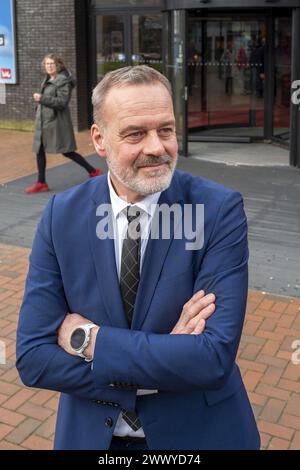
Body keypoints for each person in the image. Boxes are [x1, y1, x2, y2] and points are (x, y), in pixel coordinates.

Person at [16, 65, 260, 450]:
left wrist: (87, 340)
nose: (157, 147)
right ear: (99, 139)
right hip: (93, 438)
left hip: (200, 435)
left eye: (166, 129)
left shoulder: (217, 210)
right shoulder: (61, 215)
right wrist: (166, 363)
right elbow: (33, 358)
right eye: (135, 133)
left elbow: (212, 358)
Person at [25, 53, 101, 194]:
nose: (49, 67)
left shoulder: (63, 81)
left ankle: (93, 170)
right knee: (39, 150)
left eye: (52, 64)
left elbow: (62, 102)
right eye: (47, 64)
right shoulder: (48, 79)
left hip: (57, 123)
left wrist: (42, 98)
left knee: (67, 151)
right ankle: (41, 182)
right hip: (44, 122)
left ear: (58, 65)